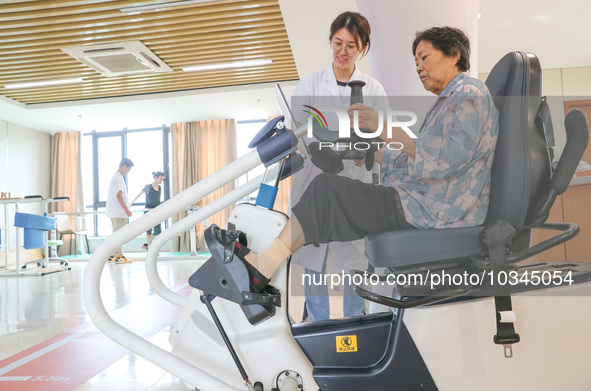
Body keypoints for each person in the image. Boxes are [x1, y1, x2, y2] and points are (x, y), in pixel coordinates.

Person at [226, 27, 499, 291]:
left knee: (327, 190)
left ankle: (263, 265)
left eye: (424, 57)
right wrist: (373, 153)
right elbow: (422, 158)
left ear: (453, 54)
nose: (418, 67)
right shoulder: (450, 101)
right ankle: (264, 265)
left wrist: (381, 126)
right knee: (327, 193)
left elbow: (447, 156)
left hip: (432, 211)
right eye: (416, 61)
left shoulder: (469, 93)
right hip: (423, 204)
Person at [288, 11, 390, 321]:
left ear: (364, 48)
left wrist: (366, 151)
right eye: (337, 43)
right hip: (314, 177)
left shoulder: (374, 90)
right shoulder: (310, 84)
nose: (342, 52)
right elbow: (298, 131)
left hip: (354, 180)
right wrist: (317, 147)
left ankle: (357, 322)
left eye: (351, 46)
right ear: (330, 42)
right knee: (312, 253)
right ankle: (318, 325)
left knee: (352, 257)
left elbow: (383, 136)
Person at [106, 157, 134, 263]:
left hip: (115, 212)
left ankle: (113, 255)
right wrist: (126, 210)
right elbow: (119, 195)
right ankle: (118, 256)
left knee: (116, 234)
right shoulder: (118, 177)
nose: (129, 171)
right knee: (119, 235)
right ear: (124, 166)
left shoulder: (117, 177)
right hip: (118, 212)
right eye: (129, 169)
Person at [130, 171, 165, 250]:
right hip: (148, 210)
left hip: (157, 211)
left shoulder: (159, 188)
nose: (161, 181)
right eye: (160, 179)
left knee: (158, 231)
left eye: (162, 179)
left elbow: (158, 200)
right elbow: (138, 195)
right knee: (149, 230)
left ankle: (145, 244)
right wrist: (131, 203)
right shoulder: (148, 186)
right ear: (155, 178)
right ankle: (151, 248)